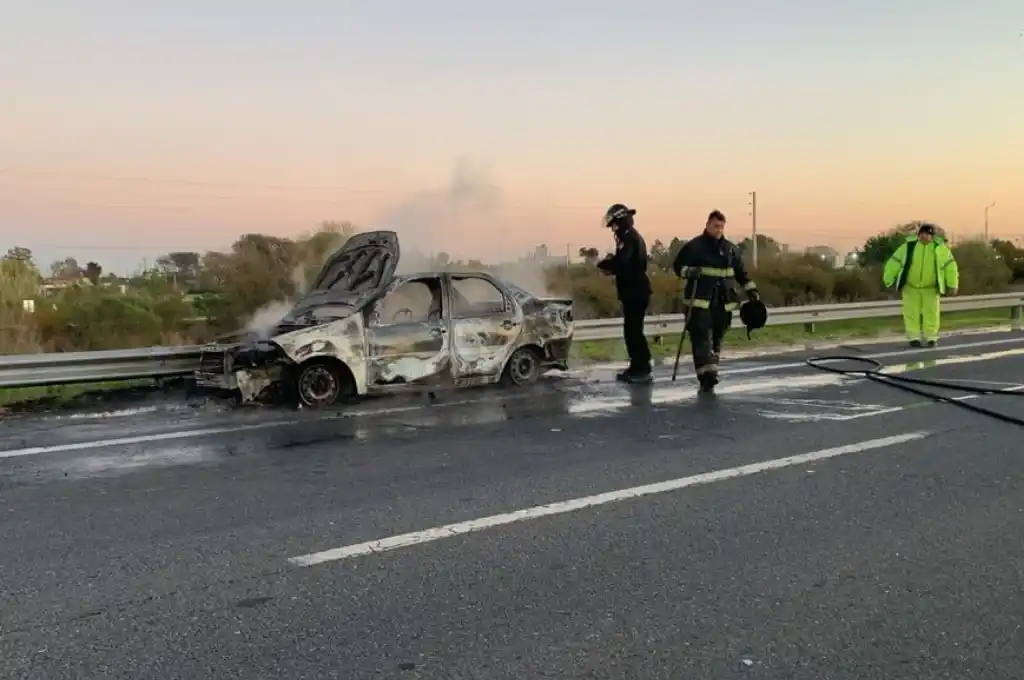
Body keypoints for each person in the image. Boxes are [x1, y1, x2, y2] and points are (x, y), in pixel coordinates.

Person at [672, 210, 759, 392]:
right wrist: (689, 272)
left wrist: (752, 291)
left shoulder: (730, 249)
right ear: (707, 225)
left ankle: (712, 370)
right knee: (701, 338)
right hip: (698, 303)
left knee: (717, 339)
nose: (718, 230)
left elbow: (741, 274)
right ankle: (707, 376)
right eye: (715, 226)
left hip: (722, 303)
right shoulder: (694, 247)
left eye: (721, 227)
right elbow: (678, 267)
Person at [596, 203, 653, 384]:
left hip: (636, 290)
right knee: (633, 331)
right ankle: (638, 366)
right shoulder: (629, 237)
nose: (612, 228)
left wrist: (601, 263)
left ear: (620, 221)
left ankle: (641, 368)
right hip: (633, 290)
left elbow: (621, 263)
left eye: (613, 224)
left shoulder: (628, 238)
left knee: (633, 331)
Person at [882, 222, 959, 348]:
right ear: (918, 235)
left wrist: (953, 284)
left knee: (931, 314)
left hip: (931, 288)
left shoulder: (940, 249)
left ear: (932, 236)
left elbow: (950, 267)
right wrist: (888, 279)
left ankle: (931, 338)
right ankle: (914, 338)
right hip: (910, 287)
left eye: (927, 234)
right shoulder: (908, 247)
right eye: (922, 234)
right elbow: (894, 262)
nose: (924, 236)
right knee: (911, 313)